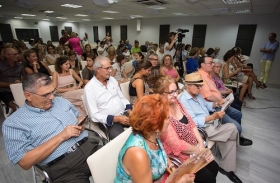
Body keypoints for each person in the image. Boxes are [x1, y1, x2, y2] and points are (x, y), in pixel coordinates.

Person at [2, 73, 101, 183]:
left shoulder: (61, 101)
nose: (52, 97)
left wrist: (81, 123)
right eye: (45, 95)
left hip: (90, 148)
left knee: (122, 166)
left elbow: (79, 116)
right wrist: (61, 136)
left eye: (53, 92)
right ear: (28, 95)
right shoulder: (14, 123)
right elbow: (25, 162)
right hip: (64, 167)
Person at [115, 94, 195, 183]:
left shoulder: (151, 134)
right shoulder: (138, 154)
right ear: (155, 126)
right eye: (167, 118)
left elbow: (161, 154)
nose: (170, 121)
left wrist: (172, 167)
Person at [177, 73, 242, 183]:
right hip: (201, 128)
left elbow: (207, 105)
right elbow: (192, 121)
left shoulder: (196, 94)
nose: (200, 88)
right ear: (188, 85)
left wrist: (218, 103)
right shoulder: (184, 100)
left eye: (200, 86)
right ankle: (226, 167)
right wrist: (212, 117)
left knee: (231, 133)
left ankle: (227, 167)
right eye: (198, 86)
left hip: (210, 122)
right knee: (232, 128)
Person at [153, 76, 219, 183]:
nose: (175, 95)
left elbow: (191, 123)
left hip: (193, 148)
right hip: (179, 156)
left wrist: (201, 142)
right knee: (208, 178)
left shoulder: (177, 102)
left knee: (214, 167)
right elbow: (176, 145)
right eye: (171, 92)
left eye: (176, 91)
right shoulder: (161, 113)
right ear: (160, 94)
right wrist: (199, 151)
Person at [197, 57, 252, 145]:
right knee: (237, 126)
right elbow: (209, 97)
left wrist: (224, 99)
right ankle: (236, 136)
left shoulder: (208, 75)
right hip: (214, 107)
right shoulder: (200, 77)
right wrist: (223, 100)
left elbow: (214, 91)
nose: (213, 65)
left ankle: (236, 136)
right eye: (211, 63)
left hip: (220, 103)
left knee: (238, 114)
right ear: (203, 65)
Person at [84, 56, 132, 140]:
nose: (110, 70)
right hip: (109, 121)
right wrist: (116, 118)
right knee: (121, 139)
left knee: (143, 125)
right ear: (98, 69)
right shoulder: (90, 88)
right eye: (107, 68)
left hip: (124, 113)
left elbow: (122, 98)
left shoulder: (112, 80)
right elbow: (94, 115)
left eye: (110, 67)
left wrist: (129, 110)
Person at [0, 47, 25, 111]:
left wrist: (21, 81)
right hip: (5, 90)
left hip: (19, 88)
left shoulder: (20, 65)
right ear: (7, 55)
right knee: (16, 106)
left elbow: (25, 77)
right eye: (14, 54)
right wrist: (12, 84)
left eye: (17, 54)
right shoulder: (1, 66)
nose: (17, 56)